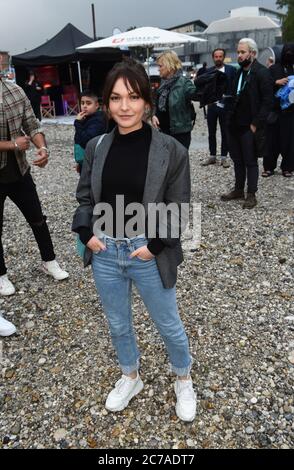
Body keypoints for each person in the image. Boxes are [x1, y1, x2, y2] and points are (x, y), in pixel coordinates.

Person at [72, 58, 196, 422]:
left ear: (146, 100)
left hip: (147, 249)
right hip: (106, 250)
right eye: (115, 98)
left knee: (168, 322)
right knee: (118, 323)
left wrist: (155, 245)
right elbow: (84, 198)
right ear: (107, 104)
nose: (124, 107)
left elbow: (179, 206)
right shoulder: (96, 146)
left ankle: (183, 378)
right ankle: (130, 376)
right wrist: (86, 234)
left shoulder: (171, 150)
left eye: (133, 97)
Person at [0, 56, 69, 296]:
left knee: (37, 218)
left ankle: (49, 261)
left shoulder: (15, 90)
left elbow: (32, 125)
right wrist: (13, 145)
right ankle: (1, 275)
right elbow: (19, 141)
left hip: (19, 171)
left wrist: (43, 148)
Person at [221, 38, 273, 209]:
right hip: (234, 124)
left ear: (253, 53)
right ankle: (238, 189)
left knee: (250, 161)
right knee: (237, 160)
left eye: (243, 52)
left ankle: (251, 194)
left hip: (250, 126)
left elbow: (267, 101)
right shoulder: (239, 72)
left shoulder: (262, 72)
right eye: (238, 52)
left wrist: (255, 124)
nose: (240, 55)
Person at [151, 51, 197, 150]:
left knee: (178, 163)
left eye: (160, 66)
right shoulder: (163, 84)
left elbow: (196, 95)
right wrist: (154, 115)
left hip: (179, 134)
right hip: (162, 132)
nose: (158, 69)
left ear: (169, 66)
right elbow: (157, 104)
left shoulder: (184, 83)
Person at [201, 49, 237, 168]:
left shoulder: (231, 70)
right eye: (216, 56)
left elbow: (234, 87)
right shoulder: (209, 71)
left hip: (226, 106)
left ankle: (224, 157)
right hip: (212, 106)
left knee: (225, 132)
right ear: (213, 58)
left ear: (224, 57)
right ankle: (212, 156)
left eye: (220, 56)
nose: (218, 58)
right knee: (211, 132)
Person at [263, 43, 294, 178]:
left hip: (290, 113)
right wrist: (276, 82)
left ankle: (287, 167)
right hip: (275, 111)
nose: (289, 55)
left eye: (291, 52)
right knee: (271, 141)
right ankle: (269, 167)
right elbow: (264, 85)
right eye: (287, 52)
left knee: (289, 141)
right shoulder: (273, 68)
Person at [74, 90, 107, 174]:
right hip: (86, 160)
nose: (84, 106)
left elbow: (86, 140)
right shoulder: (86, 118)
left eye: (88, 103)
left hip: (93, 163)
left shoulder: (98, 120)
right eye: (82, 103)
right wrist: (80, 162)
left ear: (96, 105)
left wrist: (77, 123)